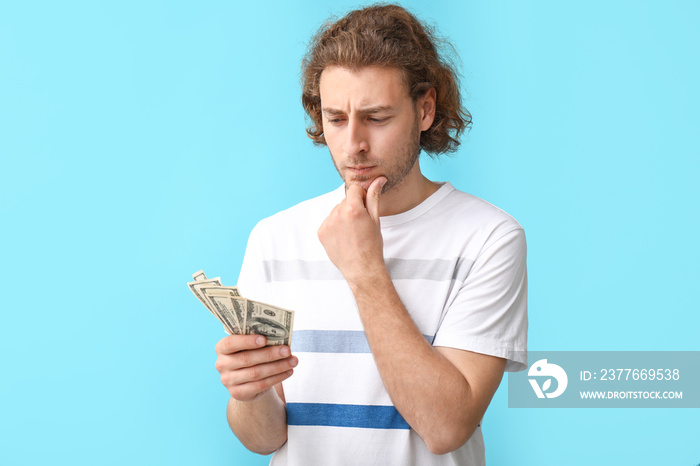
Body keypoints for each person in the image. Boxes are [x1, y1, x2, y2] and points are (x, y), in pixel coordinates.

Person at [214, 4, 527, 465]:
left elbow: (446, 427)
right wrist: (250, 393)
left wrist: (364, 269)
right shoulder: (274, 237)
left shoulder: (488, 238)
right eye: (336, 119)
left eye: (377, 117)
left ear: (425, 109)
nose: (353, 144)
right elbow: (263, 439)